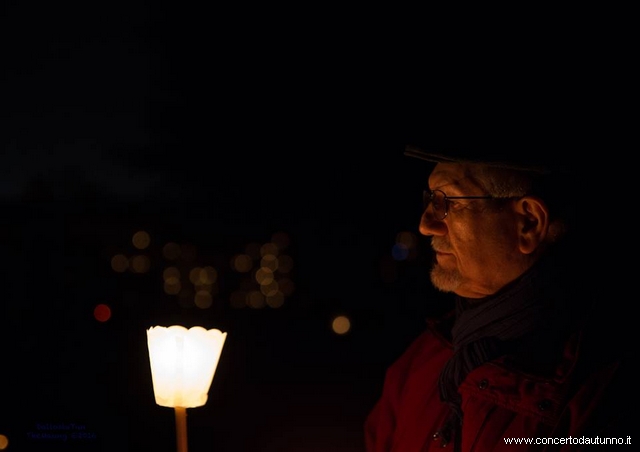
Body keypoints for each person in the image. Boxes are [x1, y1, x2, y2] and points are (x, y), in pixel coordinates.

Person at [364, 141, 630, 451]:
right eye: (431, 200)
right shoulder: (422, 359)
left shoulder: (600, 397)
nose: (426, 225)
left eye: (449, 201)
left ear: (528, 223)